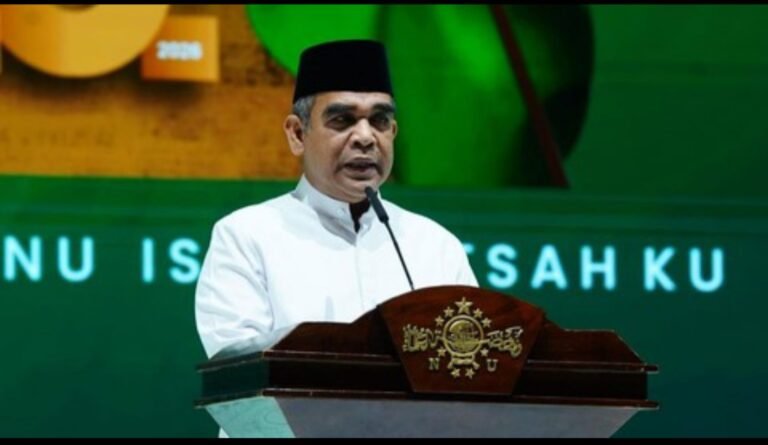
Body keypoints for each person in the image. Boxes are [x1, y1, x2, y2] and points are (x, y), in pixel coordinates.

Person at [195, 39, 478, 362]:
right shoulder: (247, 236)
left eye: (379, 120)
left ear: (393, 132)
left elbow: (470, 361)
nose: (365, 137)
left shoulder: (436, 246)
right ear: (297, 134)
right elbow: (239, 367)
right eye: (342, 120)